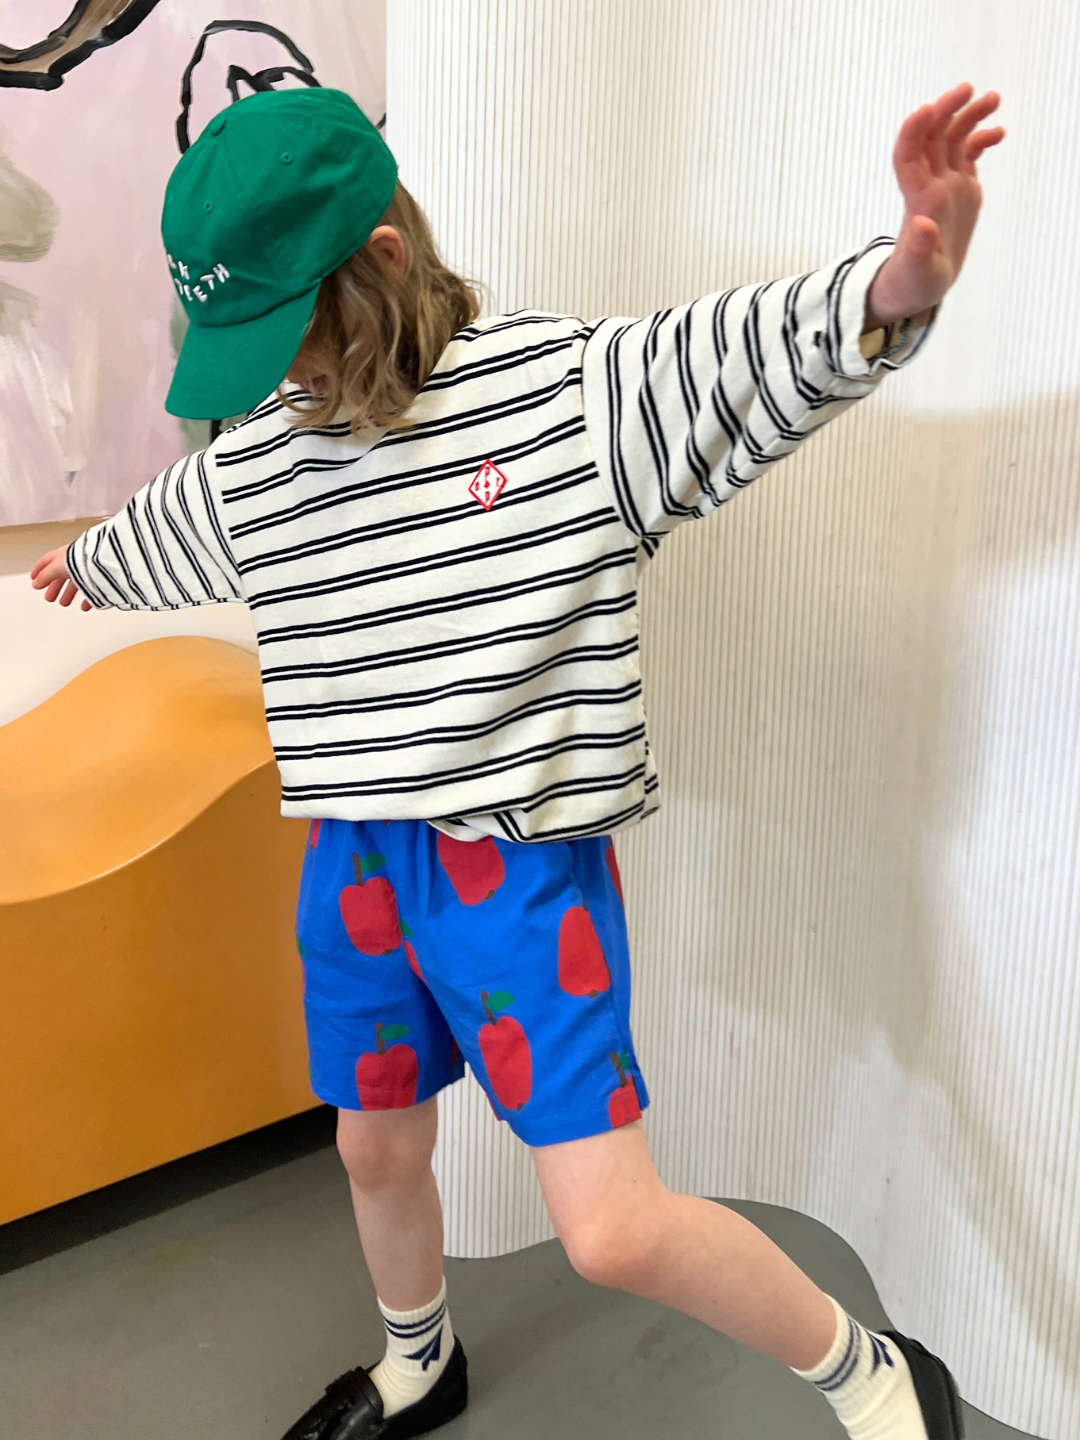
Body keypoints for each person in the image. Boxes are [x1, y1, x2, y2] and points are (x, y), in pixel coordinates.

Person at [31, 80, 1004, 1440]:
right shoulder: (265, 460)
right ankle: (420, 1362)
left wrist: (891, 288)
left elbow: (728, 356)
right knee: (372, 1142)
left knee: (609, 1229)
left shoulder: (562, 400)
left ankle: (875, 1372)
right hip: (354, 856)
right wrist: (89, 561)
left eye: (291, 342)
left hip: (513, 870)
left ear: (379, 265)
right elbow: (173, 523)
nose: (283, 385)